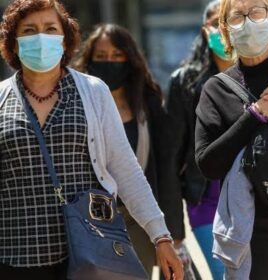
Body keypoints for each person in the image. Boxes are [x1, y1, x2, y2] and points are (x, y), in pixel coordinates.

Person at [0, 1, 183, 280]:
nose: (41, 37)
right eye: (29, 30)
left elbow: (126, 169)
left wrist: (161, 236)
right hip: (15, 258)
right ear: (13, 44)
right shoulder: (2, 98)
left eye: (50, 29)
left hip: (89, 256)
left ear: (64, 40)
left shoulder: (93, 91)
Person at [195, 0, 268, 279]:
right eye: (237, 17)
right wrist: (256, 114)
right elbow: (208, 164)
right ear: (225, 31)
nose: (248, 21)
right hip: (260, 230)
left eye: (257, 12)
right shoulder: (217, 89)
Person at [72, 23, 185, 278]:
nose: (109, 62)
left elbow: (166, 168)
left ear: (130, 59)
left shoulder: (148, 103)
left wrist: (171, 231)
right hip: (90, 220)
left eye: (116, 56)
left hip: (137, 222)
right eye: (100, 57)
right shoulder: (76, 103)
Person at [167, 1, 232, 279]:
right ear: (205, 31)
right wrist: (173, 229)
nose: (223, 29)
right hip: (206, 200)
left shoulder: (261, 75)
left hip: (258, 198)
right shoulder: (184, 82)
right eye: (216, 22)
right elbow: (171, 154)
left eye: (229, 21)